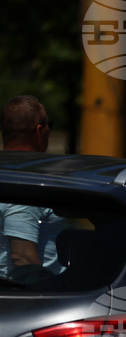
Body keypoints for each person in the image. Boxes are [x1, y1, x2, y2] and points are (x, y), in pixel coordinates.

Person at [0, 94, 65, 279]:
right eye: (49, 124)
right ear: (39, 131)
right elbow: (22, 257)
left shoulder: (6, 175)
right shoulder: (27, 183)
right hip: (38, 300)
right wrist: (46, 296)